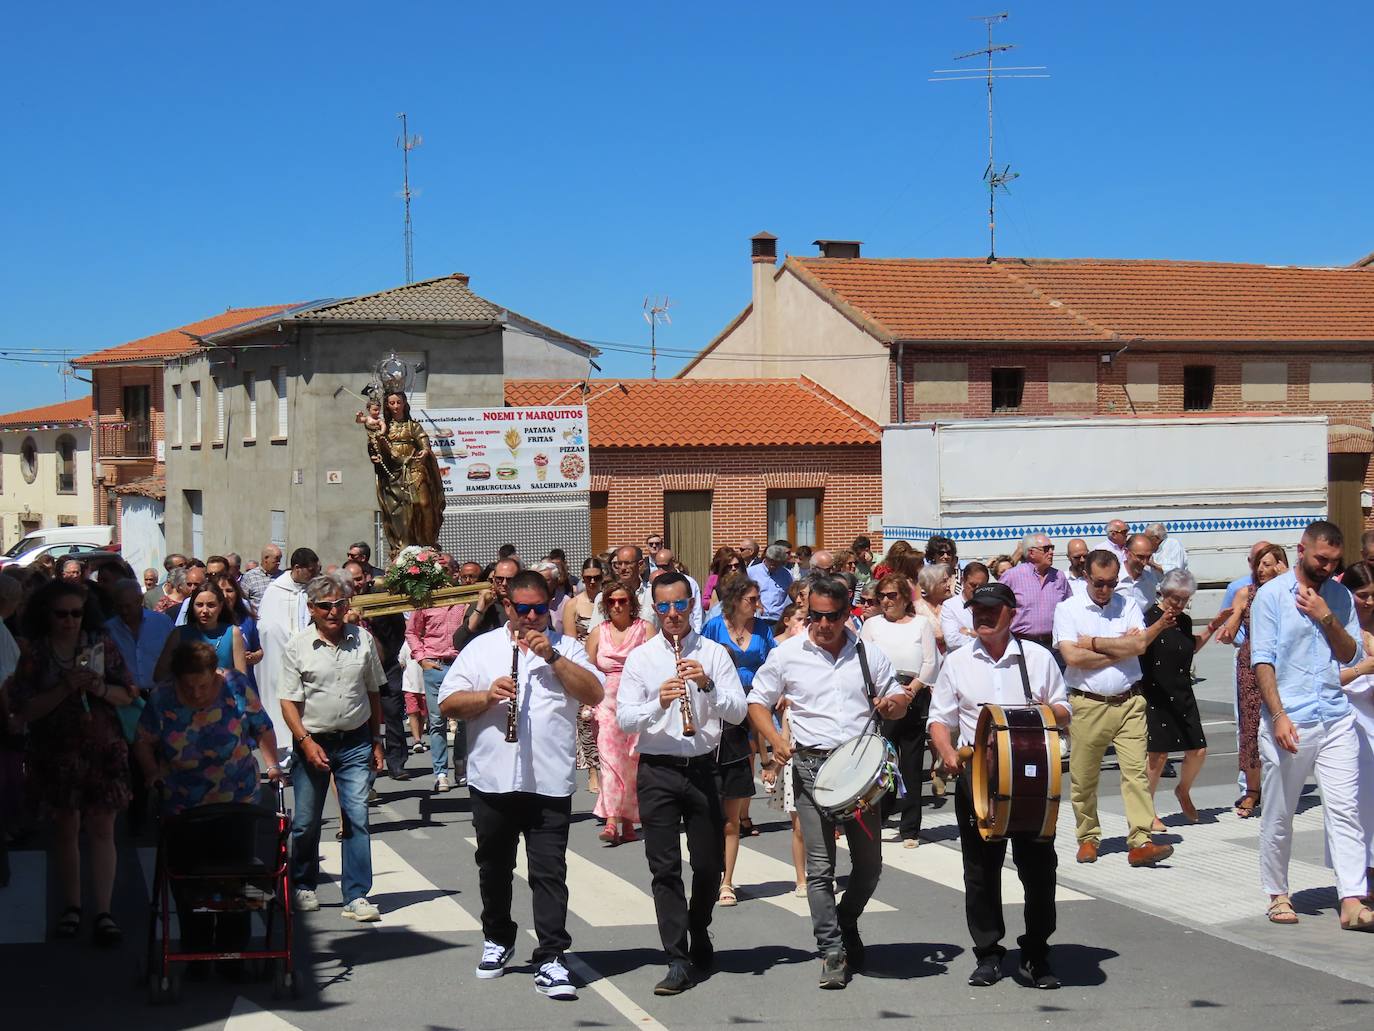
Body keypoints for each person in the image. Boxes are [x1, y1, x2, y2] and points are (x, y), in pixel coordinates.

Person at [437, 570, 604, 998]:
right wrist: (487, 698)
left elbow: (595, 694)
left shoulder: (565, 647)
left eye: (539, 608)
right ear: (507, 607)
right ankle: (498, 936)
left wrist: (554, 659)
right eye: (523, 608)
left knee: (550, 872)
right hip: (492, 779)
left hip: (548, 781)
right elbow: (449, 702)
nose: (532, 617)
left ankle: (551, 956)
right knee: (493, 867)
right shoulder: (482, 648)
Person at [748, 576, 909, 990]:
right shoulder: (787, 655)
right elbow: (756, 700)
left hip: (859, 769)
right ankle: (832, 950)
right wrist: (776, 739)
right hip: (809, 765)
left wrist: (895, 702)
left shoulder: (868, 654)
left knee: (870, 866)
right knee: (820, 868)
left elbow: (898, 696)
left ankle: (846, 919)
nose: (822, 624)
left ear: (845, 615)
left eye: (831, 617)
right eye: (815, 616)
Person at [929, 582, 1071, 989]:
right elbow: (939, 718)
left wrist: (1038, 718)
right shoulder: (956, 662)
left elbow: (1063, 710)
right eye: (977, 610)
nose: (983, 616)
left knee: (1039, 871)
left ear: (1012, 613)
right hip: (978, 782)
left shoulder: (1038, 658)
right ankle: (989, 953)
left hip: (1031, 781)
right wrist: (947, 751)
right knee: (980, 871)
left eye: (992, 609)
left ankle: (1037, 953)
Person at [617, 571, 748, 995]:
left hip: (703, 767)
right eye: (663, 606)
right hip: (657, 768)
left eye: (679, 605)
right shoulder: (641, 659)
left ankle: (699, 926)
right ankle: (676, 957)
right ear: (653, 609)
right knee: (664, 867)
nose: (672, 614)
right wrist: (659, 701)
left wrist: (706, 685)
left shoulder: (713, 653)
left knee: (709, 864)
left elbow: (739, 712)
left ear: (692, 604)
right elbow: (624, 718)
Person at [1250, 520, 1373, 931]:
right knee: (1281, 811)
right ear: (1302, 550)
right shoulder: (1270, 596)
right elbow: (1262, 660)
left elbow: (1350, 653)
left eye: (1335, 561)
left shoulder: (1338, 595)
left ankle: (1351, 900)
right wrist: (1279, 715)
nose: (1327, 566)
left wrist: (1326, 617)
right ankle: (1277, 893)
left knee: (1345, 809)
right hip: (1292, 719)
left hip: (1336, 716)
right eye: (1322, 558)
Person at [6, 580, 139, 944]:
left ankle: (104, 911)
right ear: (46, 615)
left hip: (102, 748)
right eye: (61, 614)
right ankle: (72, 906)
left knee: (102, 829)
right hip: (56, 752)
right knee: (65, 829)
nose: (69, 621)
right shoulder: (36, 654)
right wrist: (65, 687)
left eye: (76, 613)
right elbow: (24, 709)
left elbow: (128, 695)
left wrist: (98, 689)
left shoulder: (101, 645)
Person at [133, 643, 280, 963]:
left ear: (214, 674)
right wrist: (151, 772)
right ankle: (196, 950)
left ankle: (233, 952)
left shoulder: (234, 686)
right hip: (184, 804)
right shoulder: (162, 697)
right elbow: (143, 741)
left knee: (236, 877)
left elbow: (262, 728)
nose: (197, 693)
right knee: (189, 879)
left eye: (203, 685)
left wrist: (272, 765)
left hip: (236, 798)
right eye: (189, 686)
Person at [1054, 549, 1176, 867]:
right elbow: (1073, 658)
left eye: (1110, 583)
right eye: (1099, 583)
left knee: (1135, 773)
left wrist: (1092, 642)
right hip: (1087, 704)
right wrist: (1120, 648)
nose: (1105, 590)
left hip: (1129, 700)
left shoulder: (1128, 604)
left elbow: (1139, 645)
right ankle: (1088, 837)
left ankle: (1140, 839)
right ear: (1086, 578)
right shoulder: (1068, 609)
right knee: (1083, 776)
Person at [279, 571, 386, 923]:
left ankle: (356, 895)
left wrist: (377, 739)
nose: (332, 612)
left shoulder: (363, 641)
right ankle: (304, 883)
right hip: (314, 741)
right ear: (311, 609)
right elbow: (288, 703)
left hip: (355, 739)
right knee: (307, 821)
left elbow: (373, 691)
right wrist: (305, 742)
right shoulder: (297, 646)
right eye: (324, 606)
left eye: (339, 604)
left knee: (357, 816)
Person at [701, 573, 776, 902]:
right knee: (711, 806)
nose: (758, 605)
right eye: (751, 599)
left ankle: (727, 878)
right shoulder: (715, 627)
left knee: (743, 769)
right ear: (733, 600)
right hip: (717, 710)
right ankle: (712, 866)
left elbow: (774, 664)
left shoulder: (763, 629)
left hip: (754, 706)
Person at [1142, 569, 1228, 827]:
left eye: (1184, 599)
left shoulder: (1185, 621)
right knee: (1157, 756)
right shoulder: (1149, 617)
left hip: (1182, 691)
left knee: (1198, 750)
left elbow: (1190, 646)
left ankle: (1183, 790)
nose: (1179, 604)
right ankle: (1146, 810)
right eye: (1174, 598)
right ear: (1164, 593)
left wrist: (1213, 626)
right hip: (1155, 693)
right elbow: (1139, 647)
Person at [861, 571, 938, 847]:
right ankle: (880, 814)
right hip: (883, 695)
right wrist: (879, 693)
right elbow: (863, 661)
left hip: (912, 693)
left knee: (912, 762)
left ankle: (910, 828)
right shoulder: (871, 626)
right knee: (883, 761)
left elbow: (931, 662)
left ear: (905, 598)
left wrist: (914, 688)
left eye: (891, 596)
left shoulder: (921, 625)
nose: (885, 601)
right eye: (881, 596)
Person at [1219, 543, 1289, 817]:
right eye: (1259, 563)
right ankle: (1252, 791)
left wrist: (1287, 579)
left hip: (1281, 663)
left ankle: (1281, 788)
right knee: (1250, 729)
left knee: (1280, 723)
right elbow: (1229, 632)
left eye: (1268, 563)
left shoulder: (1288, 592)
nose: (1261, 569)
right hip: (1250, 665)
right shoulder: (1245, 593)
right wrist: (1233, 618)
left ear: (1281, 565)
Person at [587, 580, 654, 844]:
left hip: (637, 700)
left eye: (622, 600)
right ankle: (612, 820)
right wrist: (586, 702)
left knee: (632, 762)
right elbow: (587, 668)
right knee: (610, 762)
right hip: (606, 702)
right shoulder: (597, 632)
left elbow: (654, 663)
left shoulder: (645, 629)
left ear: (631, 603)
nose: (617, 606)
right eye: (611, 601)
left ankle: (629, 821)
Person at [345, 560, 411, 782]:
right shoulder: (341, 602)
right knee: (363, 717)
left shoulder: (382, 596)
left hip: (386, 664)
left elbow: (399, 628)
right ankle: (367, 765)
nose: (355, 584)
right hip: (355, 669)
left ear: (366, 577)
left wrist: (389, 654)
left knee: (392, 713)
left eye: (358, 579)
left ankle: (397, 762)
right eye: (351, 580)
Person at [406, 575, 469, 793]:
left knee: (463, 721)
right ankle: (440, 772)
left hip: (460, 664)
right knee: (437, 722)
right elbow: (412, 631)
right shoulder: (426, 601)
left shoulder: (464, 601)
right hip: (435, 665)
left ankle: (460, 768)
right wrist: (422, 659)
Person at [1337, 560, 1374, 901]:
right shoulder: (1338, 630)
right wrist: (1364, 667)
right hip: (1347, 718)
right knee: (1354, 800)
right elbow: (1327, 679)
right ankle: (1356, 876)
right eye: (1363, 595)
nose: (1369, 602)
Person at [371, 390, 446, 551]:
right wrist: (376, 455)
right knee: (403, 510)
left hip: (415, 468)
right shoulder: (384, 427)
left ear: (404, 404)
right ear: (387, 406)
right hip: (395, 472)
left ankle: (428, 543)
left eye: (398, 402)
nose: (396, 406)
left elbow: (424, 442)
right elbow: (375, 448)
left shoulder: (413, 426)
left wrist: (425, 451)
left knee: (423, 503)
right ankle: (405, 546)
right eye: (392, 403)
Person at [154, 581, 248, 681]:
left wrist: (221, 675)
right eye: (199, 605)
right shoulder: (178, 634)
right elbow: (159, 675)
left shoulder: (233, 632)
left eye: (211, 605)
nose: (205, 611)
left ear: (220, 606)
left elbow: (242, 676)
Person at [999, 534, 1071, 653]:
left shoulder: (1059, 577)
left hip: (1054, 645)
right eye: (1047, 549)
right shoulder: (1012, 576)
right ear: (1031, 553)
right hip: (1022, 644)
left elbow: (1069, 608)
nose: (1052, 552)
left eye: (1052, 548)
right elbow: (998, 606)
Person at [453, 557, 519, 653]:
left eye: (509, 579)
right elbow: (459, 642)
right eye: (499, 579)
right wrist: (480, 610)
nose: (504, 583)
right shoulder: (481, 604)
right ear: (493, 579)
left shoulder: (524, 604)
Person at [216, 573, 264, 684]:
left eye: (229, 591)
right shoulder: (210, 622)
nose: (225, 595)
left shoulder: (247, 620)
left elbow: (259, 651)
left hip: (245, 683)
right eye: (220, 591)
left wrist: (252, 657)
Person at [942, 562, 990, 653]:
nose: (977, 589)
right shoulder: (950, 606)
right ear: (962, 581)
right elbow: (952, 641)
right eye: (972, 585)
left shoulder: (991, 605)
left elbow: (997, 637)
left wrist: (970, 632)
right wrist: (984, 639)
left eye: (981, 586)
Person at [563, 558, 607, 641]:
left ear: (602, 577)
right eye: (588, 578)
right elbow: (571, 641)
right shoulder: (572, 605)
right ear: (582, 577)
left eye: (597, 577)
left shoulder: (611, 601)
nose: (592, 581)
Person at [914, 562, 954, 653]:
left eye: (948, 580)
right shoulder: (916, 608)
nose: (949, 584)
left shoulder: (953, 605)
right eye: (944, 581)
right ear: (932, 584)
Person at [747, 544, 793, 622]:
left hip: (778, 620)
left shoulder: (787, 575)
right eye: (771, 561)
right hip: (757, 618)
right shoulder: (750, 572)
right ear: (765, 557)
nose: (773, 566)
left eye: (777, 563)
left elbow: (791, 597)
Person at [1116, 534, 1160, 612]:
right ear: (1126, 552)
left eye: (1148, 557)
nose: (1144, 562)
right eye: (1140, 557)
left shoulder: (1150, 579)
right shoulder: (1114, 578)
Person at [240, 544, 283, 614]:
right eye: (276, 559)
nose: (279, 563)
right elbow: (242, 602)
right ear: (266, 558)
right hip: (256, 621)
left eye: (280, 559)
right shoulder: (249, 577)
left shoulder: (283, 577)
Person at [703, 548, 742, 613]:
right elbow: (704, 601)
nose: (733, 568)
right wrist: (714, 603)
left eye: (736, 565)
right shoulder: (713, 579)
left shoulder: (741, 578)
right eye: (728, 565)